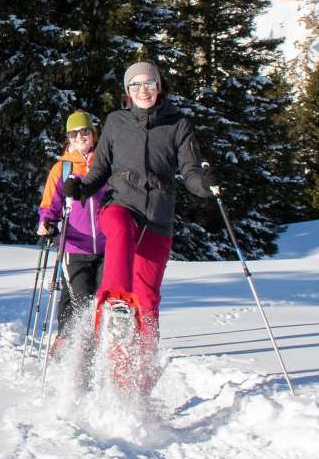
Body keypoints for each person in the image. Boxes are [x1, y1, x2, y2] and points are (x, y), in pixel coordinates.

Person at [67, 60, 218, 385]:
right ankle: (116, 304)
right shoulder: (116, 122)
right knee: (119, 228)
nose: (143, 90)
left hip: (158, 218)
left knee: (148, 299)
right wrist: (80, 187)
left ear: (159, 85)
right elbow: (100, 170)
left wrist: (205, 184)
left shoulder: (178, 125)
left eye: (148, 83)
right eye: (135, 85)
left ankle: (135, 374)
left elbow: (190, 171)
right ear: (127, 91)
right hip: (120, 204)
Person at [36, 110, 108, 344]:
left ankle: (97, 348)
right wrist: (45, 221)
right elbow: (49, 204)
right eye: (74, 133)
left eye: (84, 131)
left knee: (103, 302)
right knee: (82, 303)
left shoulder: (106, 164)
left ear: (93, 134)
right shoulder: (62, 169)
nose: (80, 137)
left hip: (108, 245)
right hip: (74, 246)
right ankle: (76, 350)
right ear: (68, 137)